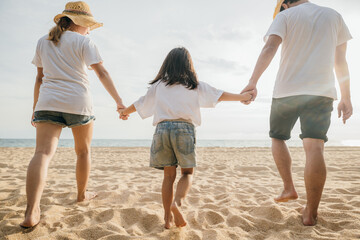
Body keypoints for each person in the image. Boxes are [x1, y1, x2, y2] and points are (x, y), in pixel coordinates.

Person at [241, 0, 352, 226]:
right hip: (321, 93)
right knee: (315, 147)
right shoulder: (334, 16)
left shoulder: (285, 16)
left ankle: (288, 187)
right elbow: (340, 60)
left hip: (287, 91)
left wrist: (252, 81)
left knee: (278, 138)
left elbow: (270, 48)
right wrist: (346, 97)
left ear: (285, 4)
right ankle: (310, 212)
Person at [119, 47, 253, 229]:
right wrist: (242, 97)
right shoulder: (194, 84)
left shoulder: (158, 86)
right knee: (187, 173)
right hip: (184, 129)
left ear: (167, 64)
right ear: (188, 65)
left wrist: (125, 112)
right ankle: (177, 203)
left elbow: (140, 103)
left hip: (162, 129)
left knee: (168, 177)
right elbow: (219, 95)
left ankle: (167, 219)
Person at [20, 1, 125, 228]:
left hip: (47, 102)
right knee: (83, 152)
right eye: (88, 25)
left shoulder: (43, 42)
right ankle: (81, 195)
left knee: (42, 154)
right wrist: (119, 102)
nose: (89, 30)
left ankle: (31, 211)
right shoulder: (85, 41)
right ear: (80, 24)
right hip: (78, 102)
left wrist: (34, 108)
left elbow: (39, 78)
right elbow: (102, 72)